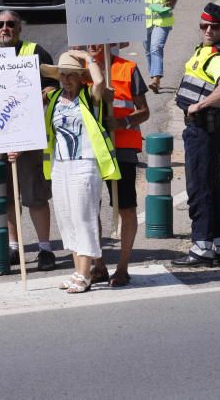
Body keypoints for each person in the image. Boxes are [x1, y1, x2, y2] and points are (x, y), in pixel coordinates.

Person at [41, 50, 120, 293]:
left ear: (79, 77)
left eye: (71, 75)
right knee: (67, 220)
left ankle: (86, 274)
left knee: (84, 218)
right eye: (62, 75)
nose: (65, 80)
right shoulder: (54, 99)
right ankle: (78, 271)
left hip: (85, 163)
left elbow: (99, 82)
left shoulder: (89, 96)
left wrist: (86, 56)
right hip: (60, 165)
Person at [0, 9, 59, 271]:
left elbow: (54, 87)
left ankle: (45, 249)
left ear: (19, 28)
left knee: (35, 197)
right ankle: (14, 247)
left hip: (29, 138)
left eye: (10, 24)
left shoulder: (36, 52)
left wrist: (38, 97)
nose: (5, 28)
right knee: (7, 196)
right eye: (0, 24)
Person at [172, 2, 220, 267]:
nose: (208, 30)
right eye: (204, 25)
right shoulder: (204, 50)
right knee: (211, 185)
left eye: (214, 27)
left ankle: (201, 247)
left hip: (203, 127)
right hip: (200, 128)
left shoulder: (218, 56)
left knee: (198, 188)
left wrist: (199, 105)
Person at [87, 45, 150, 287]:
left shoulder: (127, 69)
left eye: (97, 39)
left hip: (121, 150)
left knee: (126, 208)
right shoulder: (79, 70)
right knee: (90, 208)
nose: (92, 44)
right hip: (90, 149)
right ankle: (98, 265)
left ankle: (123, 268)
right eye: (88, 39)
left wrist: (122, 122)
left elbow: (144, 111)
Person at [142, 0, 176, 93]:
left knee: (156, 47)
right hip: (144, 21)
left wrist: (166, 4)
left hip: (162, 21)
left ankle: (156, 80)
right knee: (148, 51)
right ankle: (154, 78)